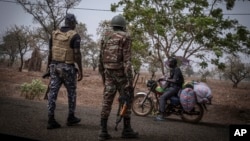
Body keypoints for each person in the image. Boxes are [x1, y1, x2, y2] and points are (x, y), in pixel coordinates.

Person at [98, 14, 138, 140]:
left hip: (108, 73)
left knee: (107, 101)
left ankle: (103, 131)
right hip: (121, 75)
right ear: (123, 25)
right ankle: (126, 130)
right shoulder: (126, 37)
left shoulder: (105, 36)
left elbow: (100, 59)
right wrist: (130, 82)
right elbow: (127, 61)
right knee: (127, 99)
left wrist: (103, 76)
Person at [46, 13, 83, 129]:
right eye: (74, 24)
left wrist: (48, 68)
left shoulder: (54, 34)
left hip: (54, 67)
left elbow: (50, 53)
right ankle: (71, 117)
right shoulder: (75, 36)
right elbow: (77, 54)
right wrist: (81, 70)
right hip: (68, 68)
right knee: (71, 93)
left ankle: (50, 119)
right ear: (72, 23)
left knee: (52, 93)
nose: (75, 26)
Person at [155, 57, 184, 121]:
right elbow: (169, 80)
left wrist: (165, 79)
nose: (169, 64)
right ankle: (165, 110)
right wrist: (163, 83)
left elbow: (174, 80)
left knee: (162, 98)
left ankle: (162, 115)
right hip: (173, 87)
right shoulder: (172, 69)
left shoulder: (177, 69)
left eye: (170, 62)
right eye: (169, 62)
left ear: (174, 63)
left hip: (176, 87)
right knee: (164, 94)